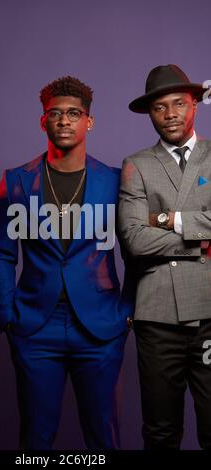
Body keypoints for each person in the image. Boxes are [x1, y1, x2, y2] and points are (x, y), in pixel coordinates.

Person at [0, 76, 133, 450]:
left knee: (104, 436)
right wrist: (6, 313)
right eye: (55, 114)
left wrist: (127, 311)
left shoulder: (117, 182)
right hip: (36, 326)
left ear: (89, 122)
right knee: (35, 439)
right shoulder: (15, 182)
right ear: (43, 121)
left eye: (74, 113)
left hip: (101, 325)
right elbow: (4, 253)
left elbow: (134, 249)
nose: (64, 121)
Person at [119, 64, 211, 449]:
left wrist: (167, 219)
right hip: (157, 317)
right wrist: (203, 240)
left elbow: (150, 229)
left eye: (178, 103)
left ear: (196, 105)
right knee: (160, 429)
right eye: (160, 107)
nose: (170, 113)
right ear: (150, 114)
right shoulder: (136, 165)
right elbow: (135, 240)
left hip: (209, 311)